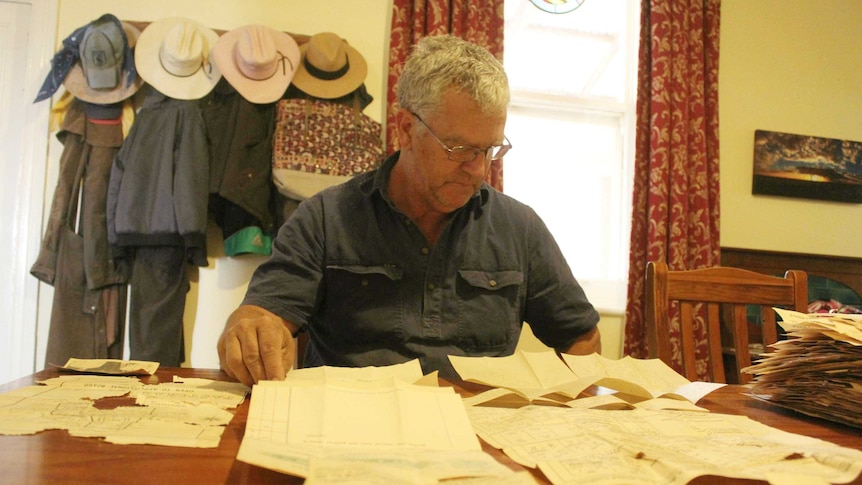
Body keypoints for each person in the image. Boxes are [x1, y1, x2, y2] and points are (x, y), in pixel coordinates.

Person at [217, 35, 601, 386]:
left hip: (478, 438)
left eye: (489, 149)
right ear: (405, 130)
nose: (479, 169)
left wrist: (555, 403)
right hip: (350, 433)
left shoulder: (520, 228)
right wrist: (251, 331)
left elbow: (581, 337)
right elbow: (261, 317)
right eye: (458, 149)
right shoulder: (326, 218)